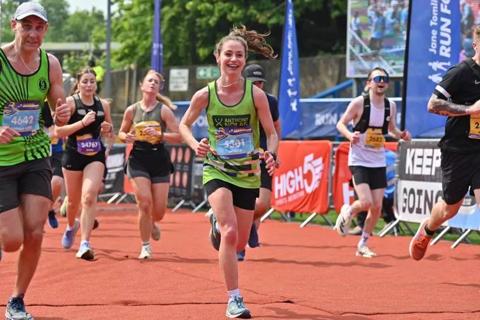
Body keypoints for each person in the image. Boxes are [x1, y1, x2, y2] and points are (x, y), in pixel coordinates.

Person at [179, 25, 278, 319]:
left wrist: (271, 154)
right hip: (217, 169)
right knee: (231, 231)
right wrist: (196, 144)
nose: (233, 60)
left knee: (240, 240)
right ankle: (234, 299)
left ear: (244, 60)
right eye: (228, 54)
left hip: (247, 172)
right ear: (217, 57)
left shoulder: (256, 95)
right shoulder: (205, 94)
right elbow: (183, 124)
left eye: (239, 55)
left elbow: (271, 133)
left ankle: (215, 224)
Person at [0, 2, 71, 319]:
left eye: (39, 27)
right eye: (27, 26)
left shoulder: (50, 63)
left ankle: (17, 300)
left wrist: (63, 109)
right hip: (1, 160)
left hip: (35, 154)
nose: (32, 33)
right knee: (12, 240)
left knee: (35, 231)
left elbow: (58, 102)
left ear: (45, 30)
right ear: (13, 25)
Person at [409, 25, 480, 260]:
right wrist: (470, 110)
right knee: (450, 208)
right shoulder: (461, 72)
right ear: (476, 44)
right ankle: (428, 228)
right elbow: (433, 104)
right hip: (458, 150)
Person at [335, 67, 411, 258]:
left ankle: (363, 243)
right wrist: (350, 135)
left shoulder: (390, 106)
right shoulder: (359, 103)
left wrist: (401, 135)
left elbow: (391, 129)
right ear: (369, 82)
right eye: (377, 78)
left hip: (378, 160)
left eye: (385, 78)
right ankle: (349, 210)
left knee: (377, 206)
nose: (381, 81)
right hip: (359, 159)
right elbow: (341, 123)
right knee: (366, 201)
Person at [118, 69, 181, 260]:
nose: (153, 84)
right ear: (142, 85)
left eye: (156, 82)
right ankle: (145, 246)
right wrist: (126, 137)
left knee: (159, 211)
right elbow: (121, 133)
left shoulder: (163, 110)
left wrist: (160, 135)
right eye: (149, 80)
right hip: (138, 159)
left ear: (159, 87)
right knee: (144, 202)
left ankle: (152, 222)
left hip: (159, 160)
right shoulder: (132, 110)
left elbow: (179, 136)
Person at [56, 67, 113, 260]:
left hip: (95, 155)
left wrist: (107, 131)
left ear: (96, 84)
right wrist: (82, 123)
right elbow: (59, 132)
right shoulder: (71, 103)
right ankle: (72, 226)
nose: (89, 85)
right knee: (72, 203)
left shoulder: (103, 105)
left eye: (92, 81)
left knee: (88, 197)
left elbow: (110, 131)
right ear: (78, 84)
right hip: (73, 155)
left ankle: (85, 243)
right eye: (85, 81)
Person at [238, 63, 281, 261]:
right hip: (239, 157)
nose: (258, 86)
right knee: (242, 201)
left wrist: (274, 153)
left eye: (260, 83)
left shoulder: (270, 101)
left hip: (263, 156)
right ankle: (239, 245)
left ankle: (249, 223)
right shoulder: (234, 100)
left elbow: (276, 130)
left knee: (262, 204)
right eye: (253, 83)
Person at [42, 101, 64, 229]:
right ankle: (38, 218)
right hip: (39, 153)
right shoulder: (37, 102)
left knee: (57, 182)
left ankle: (49, 209)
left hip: (56, 152)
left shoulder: (62, 103)